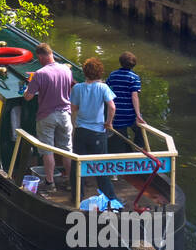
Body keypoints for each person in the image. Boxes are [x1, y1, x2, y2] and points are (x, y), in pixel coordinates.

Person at [22, 44, 74, 190]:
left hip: (47, 116)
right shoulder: (66, 69)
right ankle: (70, 182)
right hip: (65, 115)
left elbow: (28, 97)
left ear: (40, 56)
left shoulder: (39, 74)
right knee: (66, 150)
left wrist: (28, 87)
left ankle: (50, 183)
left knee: (47, 151)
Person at [71, 57, 117, 202]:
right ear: (100, 72)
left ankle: (77, 195)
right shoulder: (103, 88)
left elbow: (74, 109)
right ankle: (109, 197)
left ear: (85, 72)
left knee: (77, 164)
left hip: (81, 130)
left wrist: (74, 127)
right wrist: (109, 122)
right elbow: (112, 106)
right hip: (98, 132)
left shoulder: (77, 88)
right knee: (101, 166)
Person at [106, 52, 148, 172]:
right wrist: (138, 115)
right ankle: (139, 148)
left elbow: (107, 89)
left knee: (120, 135)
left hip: (116, 112)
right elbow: (134, 96)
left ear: (120, 62)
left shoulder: (113, 75)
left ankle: (125, 155)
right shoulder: (134, 77)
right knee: (140, 129)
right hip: (130, 113)